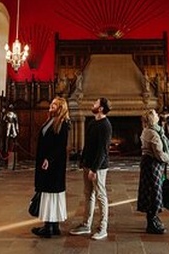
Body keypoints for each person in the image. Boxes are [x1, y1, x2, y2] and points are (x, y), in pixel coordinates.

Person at [70, 97, 112, 240]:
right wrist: (83, 162)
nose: (92, 104)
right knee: (88, 195)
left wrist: (94, 169)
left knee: (101, 195)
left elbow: (103, 151)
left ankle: (103, 227)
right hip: (88, 165)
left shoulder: (106, 126)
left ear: (101, 108)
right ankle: (86, 224)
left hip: (98, 167)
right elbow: (88, 145)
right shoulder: (92, 123)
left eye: (96, 103)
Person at [32, 97, 71, 238]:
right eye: (51, 104)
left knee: (51, 193)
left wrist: (49, 159)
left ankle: (49, 226)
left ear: (60, 108)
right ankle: (53, 226)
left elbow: (60, 146)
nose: (50, 106)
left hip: (54, 165)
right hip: (46, 162)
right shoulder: (50, 120)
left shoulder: (63, 123)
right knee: (48, 193)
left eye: (54, 105)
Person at [137, 109, 169, 234]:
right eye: (155, 114)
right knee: (154, 191)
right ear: (152, 119)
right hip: (152, 165)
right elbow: (159, 154)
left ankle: (153, 219)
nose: (157, 114)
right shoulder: (153, 134)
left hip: (148, 164)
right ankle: (152, 221)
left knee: (150, 190)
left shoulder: (148, 130)